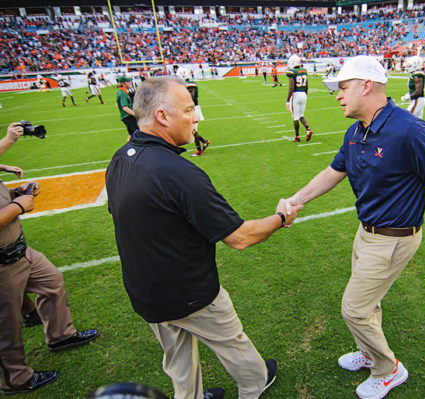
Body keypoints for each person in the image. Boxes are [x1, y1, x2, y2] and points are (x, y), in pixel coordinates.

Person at [285, 55, 425, 399]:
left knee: (354, 309)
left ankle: (388, 370)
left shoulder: (411, 131)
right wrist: (297, 199)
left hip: (393, 239)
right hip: (366, 233)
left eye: (342, 87)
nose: (337, 95)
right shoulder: (356, 131)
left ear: (366, 85)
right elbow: (334, 172)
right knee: (367, 304)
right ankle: (370, 353)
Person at [105, 76, 302, 399]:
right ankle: (254, 384)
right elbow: (240, 237)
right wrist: (282, 218)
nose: (196, 117)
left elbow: (120, 213)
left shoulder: (120, 158)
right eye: (187, 110)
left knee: (179, 360)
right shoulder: (178, 172)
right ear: (162, 117)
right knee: (232, 342)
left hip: (146, 291)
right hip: (188, 290)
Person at [0, 122, 99, 396]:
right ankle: (15, 380)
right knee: (6, 326)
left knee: (52, 281)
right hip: (1, 264)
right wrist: (19, 205)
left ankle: (60, 336)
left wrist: (14, 194)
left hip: (20, 250)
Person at [177, 67, 210, 157]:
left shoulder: (191, 84)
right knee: (192, 130)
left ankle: (199, 150)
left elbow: (191, 96)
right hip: (190, 109)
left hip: (193, 109)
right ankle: (204, 142)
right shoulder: (186, 84)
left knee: (192, 130)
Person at [286, 55, 314, 142]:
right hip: (303, 94)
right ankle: (308, 129)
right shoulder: (304, 71)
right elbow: (307, 85)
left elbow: (291, 87)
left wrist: (287, 100)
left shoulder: (292, 72)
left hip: (296, 94)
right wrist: (305, 94)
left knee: (295, 117)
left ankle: (297, 136)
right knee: (301, 115)